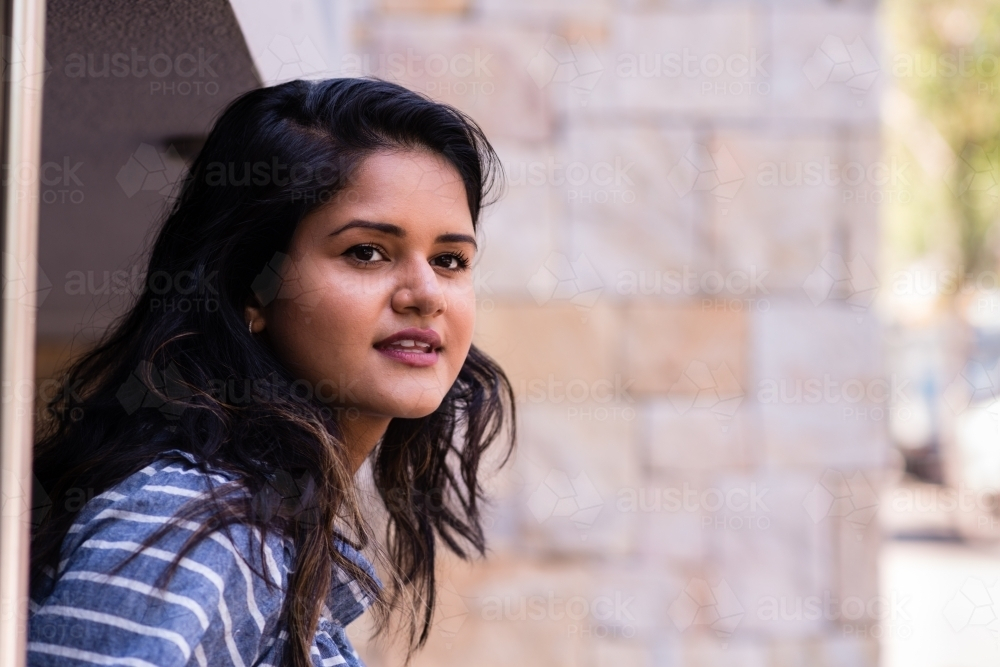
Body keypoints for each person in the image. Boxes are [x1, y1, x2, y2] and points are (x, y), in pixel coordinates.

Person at [28, 77, 515, 667]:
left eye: (449, 260)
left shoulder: (264, 532)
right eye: (366, 251)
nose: (426, 294)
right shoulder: (197, 524)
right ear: (251, 290)